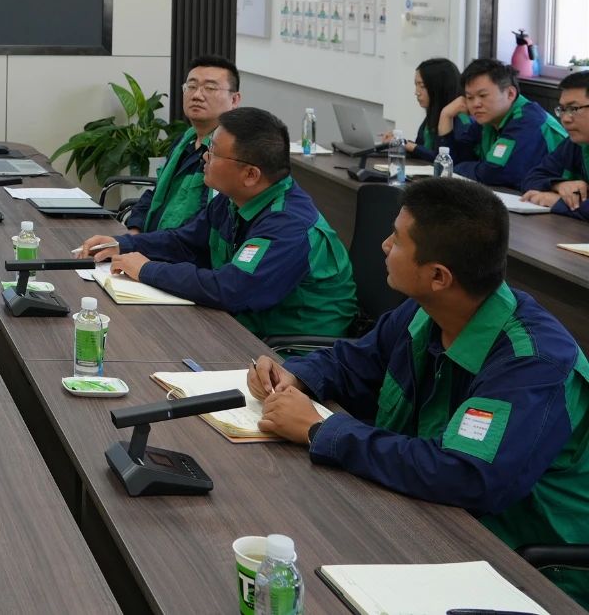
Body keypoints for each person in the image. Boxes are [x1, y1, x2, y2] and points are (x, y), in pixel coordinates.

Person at [250, 178, 589, 606]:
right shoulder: (428, 310)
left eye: (397, 240)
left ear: (439, 276)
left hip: (521, 566)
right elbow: (353, 361)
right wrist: (294, 375)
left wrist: (320, 429)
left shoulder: (533, 363)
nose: (383, 245)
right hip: (423, 516)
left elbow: (465, 475)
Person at [77, 107, 356, 341]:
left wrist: (147, 270)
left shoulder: (290, 225)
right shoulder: (234, 198)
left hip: (292, 350)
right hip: (242, 326)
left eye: (214, 152)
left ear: (250, 174)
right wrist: (123, 244)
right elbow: (184, 241)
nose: (204, 157)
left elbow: (232, 289)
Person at [123, 56, 241, 234]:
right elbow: (156, 194)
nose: (197, 95)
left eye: (210, 88)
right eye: (191, 86)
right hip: (151, 242)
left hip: (180, 247)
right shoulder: (184, 141)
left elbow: (202, 225)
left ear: (234, 100)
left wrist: (140, 244)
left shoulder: (228, 153)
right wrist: (134, 230)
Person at [438, 59, 566, 188]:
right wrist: (446, 116)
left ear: (510, 94)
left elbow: (495, 173)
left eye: (483, 95)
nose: (475, 104)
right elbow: (452, 159)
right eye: (470, 97)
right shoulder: (488, 119)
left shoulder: (528, 120)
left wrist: (459, 167)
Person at [521, 70, 589, 219]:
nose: (565, 119)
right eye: (563, 110)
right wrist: (559, 185)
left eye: (574, 109)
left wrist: (559, 202)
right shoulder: (574, 143)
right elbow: (531, 178)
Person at [380, 57, 461, 161]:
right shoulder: (432, 115)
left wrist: (406, 144)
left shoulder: (458, 119)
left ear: (439, 87)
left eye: (422, 86)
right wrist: (399, 142)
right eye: (416, 85)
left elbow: (444, 159)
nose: (416, 92)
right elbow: (421, 148)